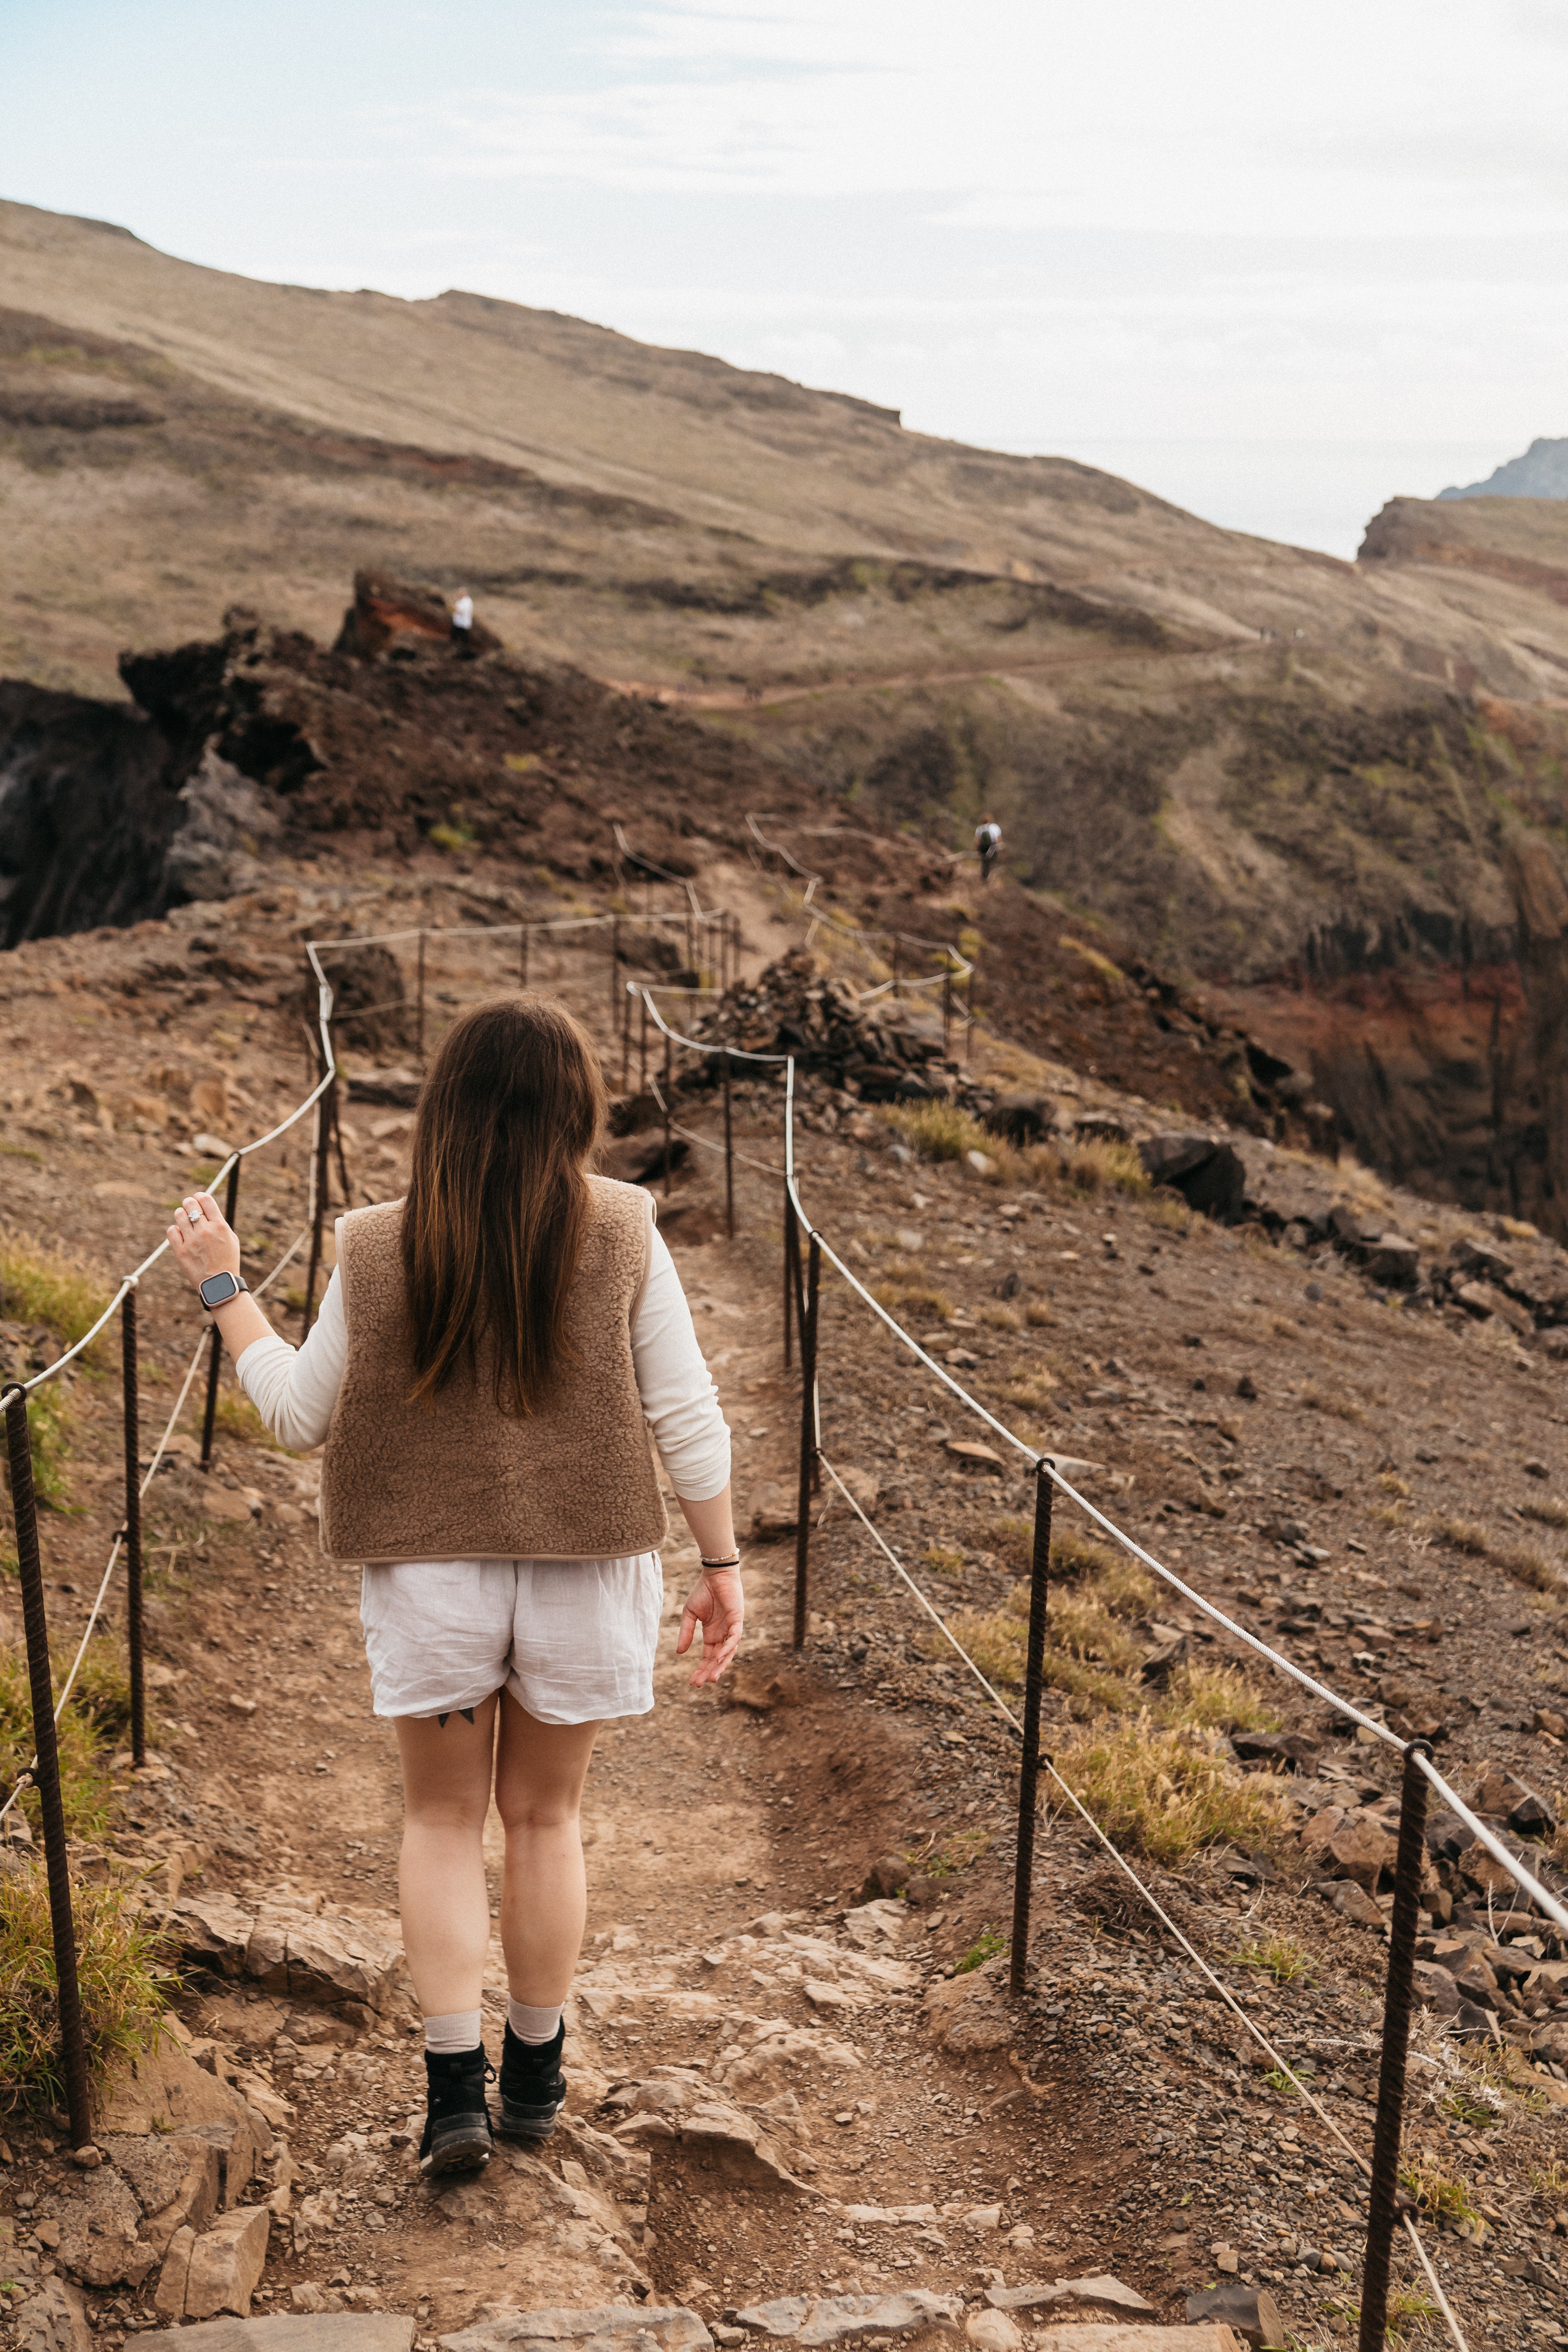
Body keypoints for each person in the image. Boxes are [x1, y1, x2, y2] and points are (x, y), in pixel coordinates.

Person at [165, 1000, 742, 2179]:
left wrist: (227, 1290)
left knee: (439, 1821)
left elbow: (295, 1416)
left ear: (444, 1111)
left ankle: (451, 2099)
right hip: (589, 1565)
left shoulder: (377, 1242)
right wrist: (721, 1564)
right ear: (577, 1110)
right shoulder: (626, 1225)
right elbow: (687, 1416)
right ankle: (535, 2073)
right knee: (544, 1819)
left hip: (431, 1572)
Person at [974, 815, 1002, 884]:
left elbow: (977, 840)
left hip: (983, 847)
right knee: (992, 861)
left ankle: (984, 877)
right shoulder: (995, 827)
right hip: (992, 846)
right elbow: (998, 838)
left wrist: (977, 850)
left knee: (984, 862)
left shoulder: (980, 828)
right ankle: (990, 877)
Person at [451, 589, 475, 655]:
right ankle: (458, 650)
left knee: (463, 639)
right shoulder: (464, 601)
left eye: (460, 593)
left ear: (464, 593)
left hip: (463, 624)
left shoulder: (466, 602)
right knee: (457, 636)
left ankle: (464, 652)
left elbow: (460, 611)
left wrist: (452, 607)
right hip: (459, 623)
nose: (459, 594)